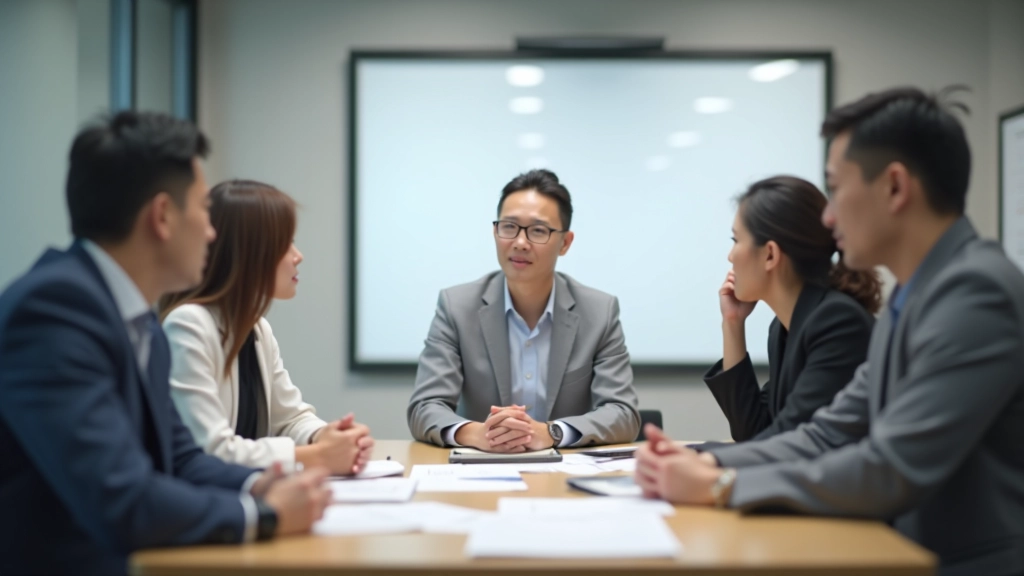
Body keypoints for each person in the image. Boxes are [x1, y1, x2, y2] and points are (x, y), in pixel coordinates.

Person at [635, 87, 1024, 576]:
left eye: (837, 189)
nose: (828, 216)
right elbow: (824, 433)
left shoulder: (975, 293)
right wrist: (710, 465)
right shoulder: (915, 295)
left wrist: (722, 486)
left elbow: (891, 466)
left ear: (895, 187)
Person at [0, 112, 331, 576]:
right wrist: (264, 513)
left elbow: (182, 460)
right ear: (161, 216)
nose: (212, 232)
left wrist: (262, 485)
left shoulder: (136, 321)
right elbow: (121, 499)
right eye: (201, 209)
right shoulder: (54, 310)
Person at [407, 169, 640, 451]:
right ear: (495, 232)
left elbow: (623, 413)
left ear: (565, 243)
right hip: (481, 472)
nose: (519, 242)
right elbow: (425, 407)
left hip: (566, 475)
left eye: (538, 231)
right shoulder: (457, 307)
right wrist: (478, 434)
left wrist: (551, 433)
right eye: (509, 227)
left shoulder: (599, 311)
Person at [160, 180, 373, 475]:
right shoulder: (188, 325)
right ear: (249, 253)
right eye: (286, 244)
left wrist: (328, 437)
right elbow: (208, 451)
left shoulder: (257, 328)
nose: (298, 256)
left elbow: (289, 418)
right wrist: (319, 457)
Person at [705, 176, 879, 441]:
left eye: (736, 240)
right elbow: (753, 431)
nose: (730, 256)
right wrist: (732, 322)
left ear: (771, 255)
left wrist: (702, 459)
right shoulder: (783, 327)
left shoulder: (836, 321)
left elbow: (787, 440)